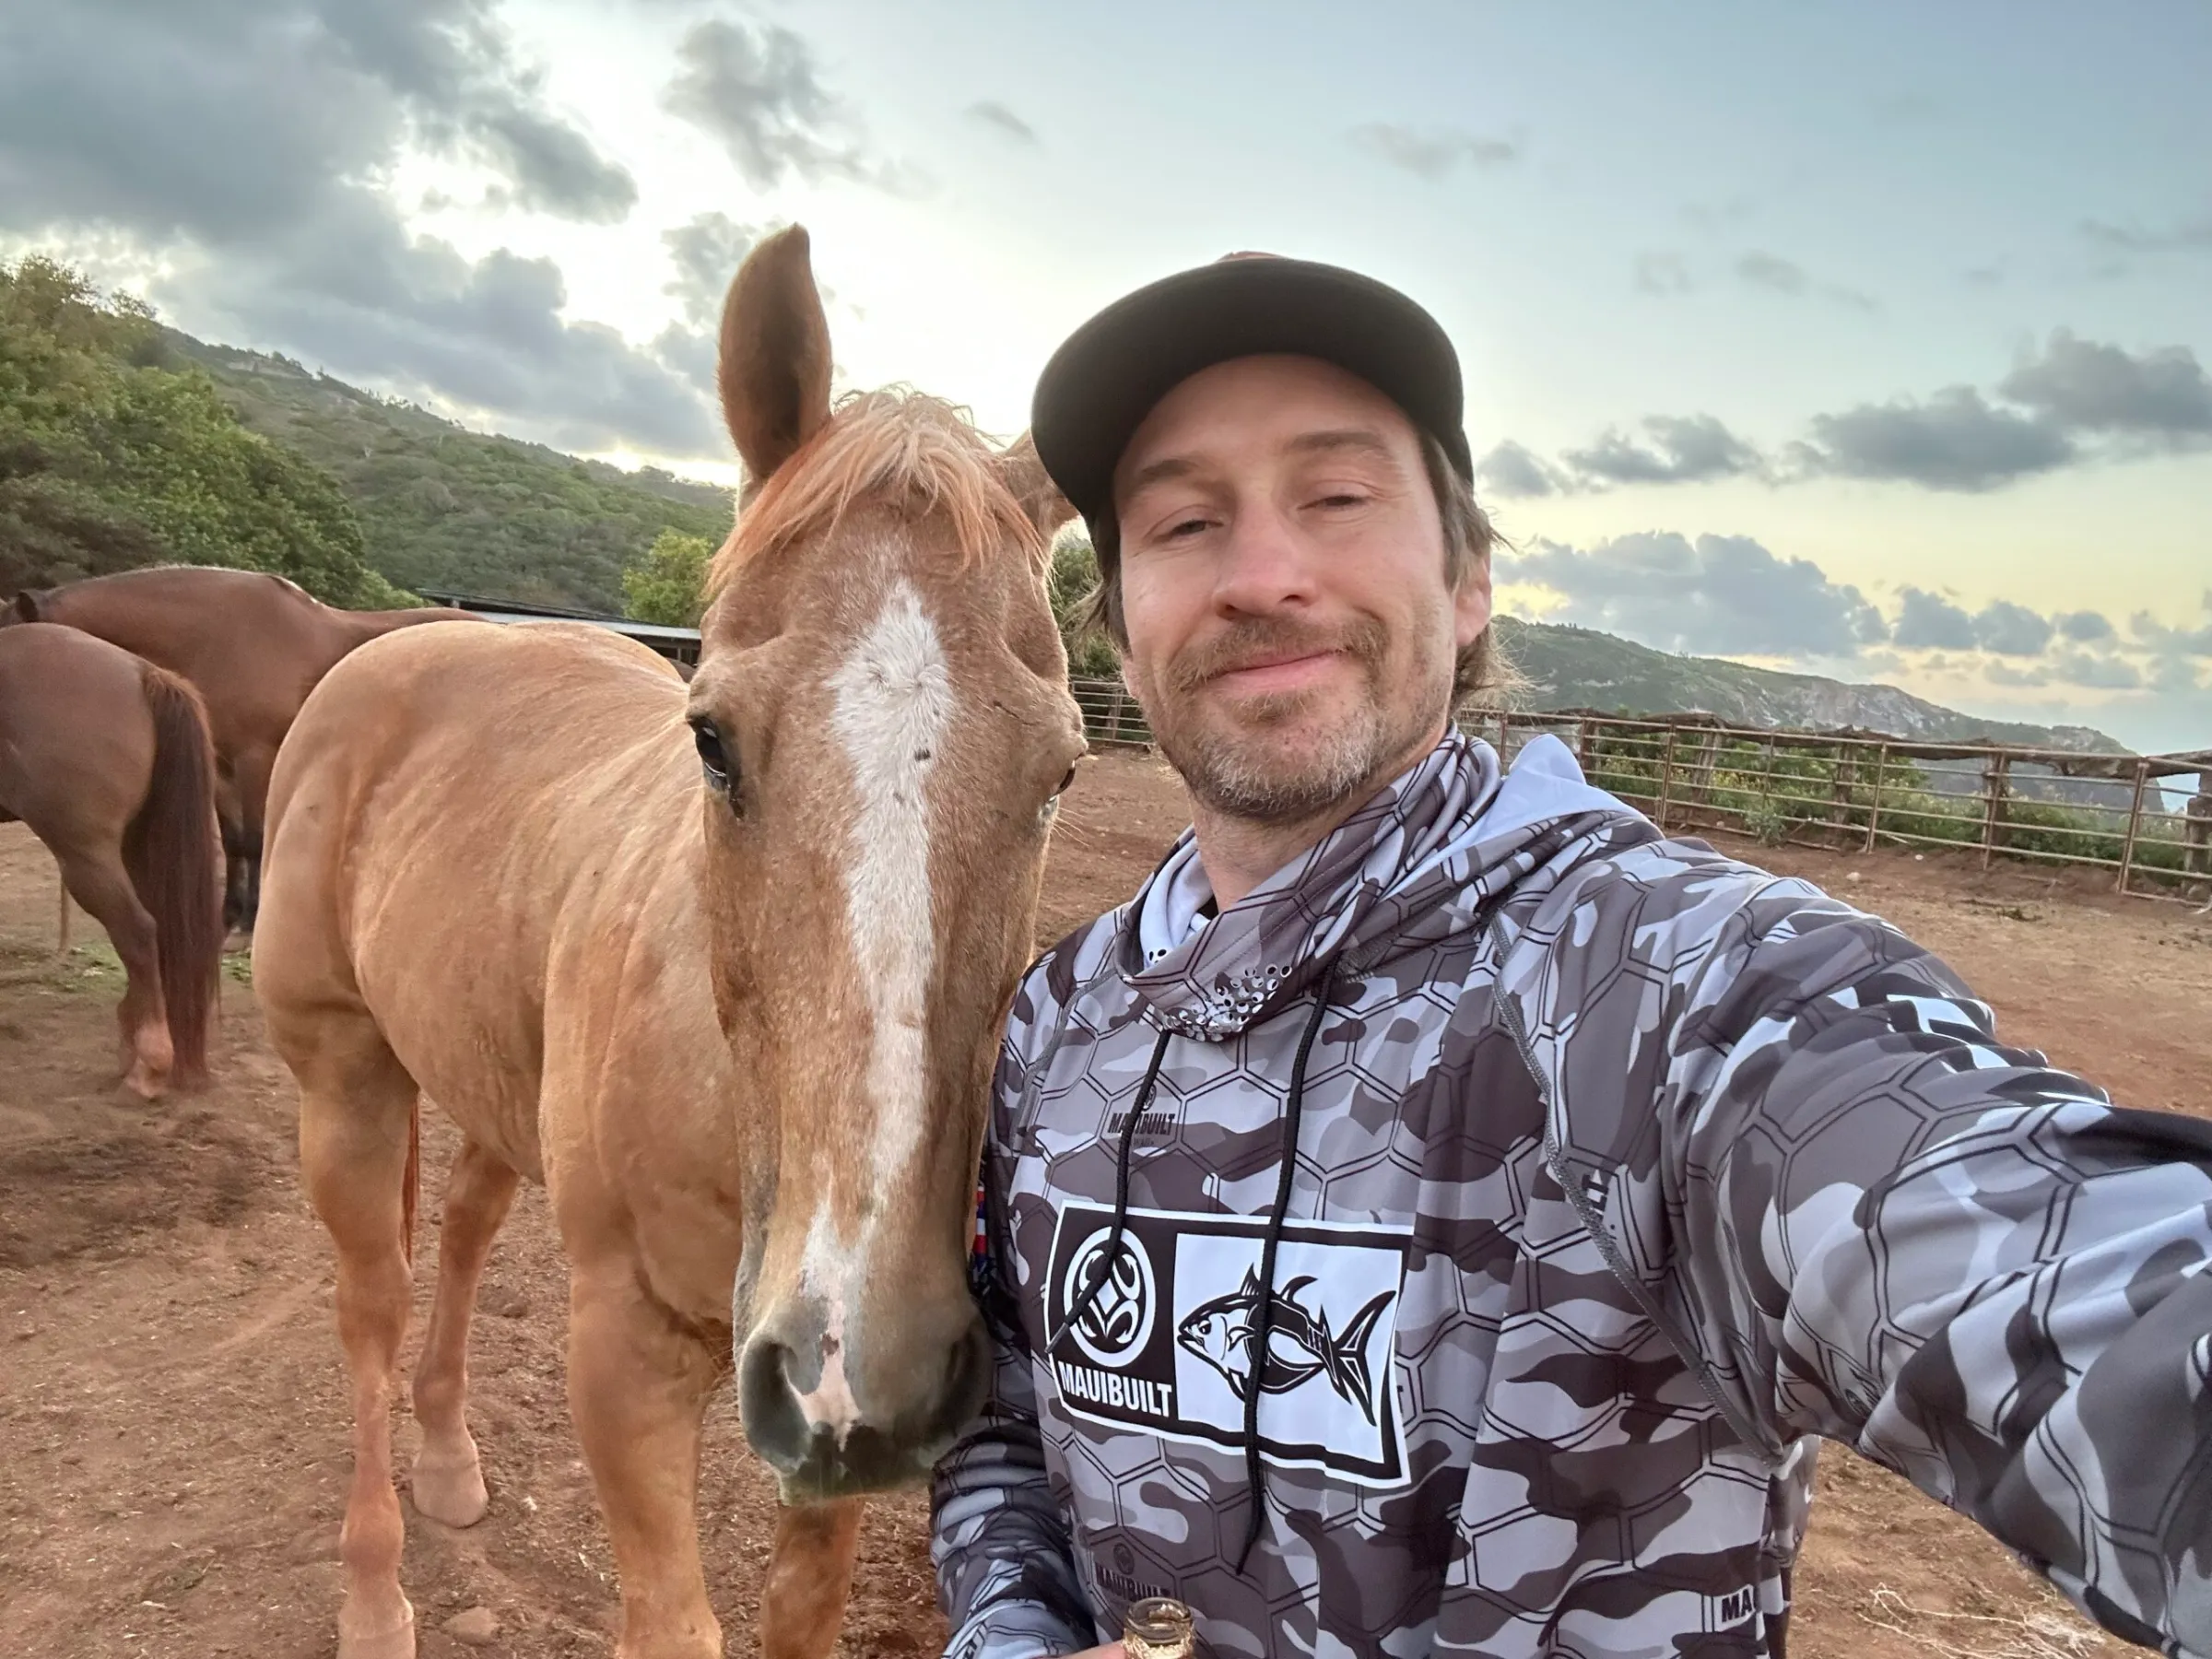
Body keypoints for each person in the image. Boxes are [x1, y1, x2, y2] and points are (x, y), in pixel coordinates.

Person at [931, 252, 2212, 1659]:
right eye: (1182, 524)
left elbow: (2057, 1280)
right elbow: (1006, 1409)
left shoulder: (1667, 985)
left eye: (1339, 497)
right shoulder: (1061, 1025)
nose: (1263, 575)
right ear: (1116, 627)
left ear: (1469, 581)